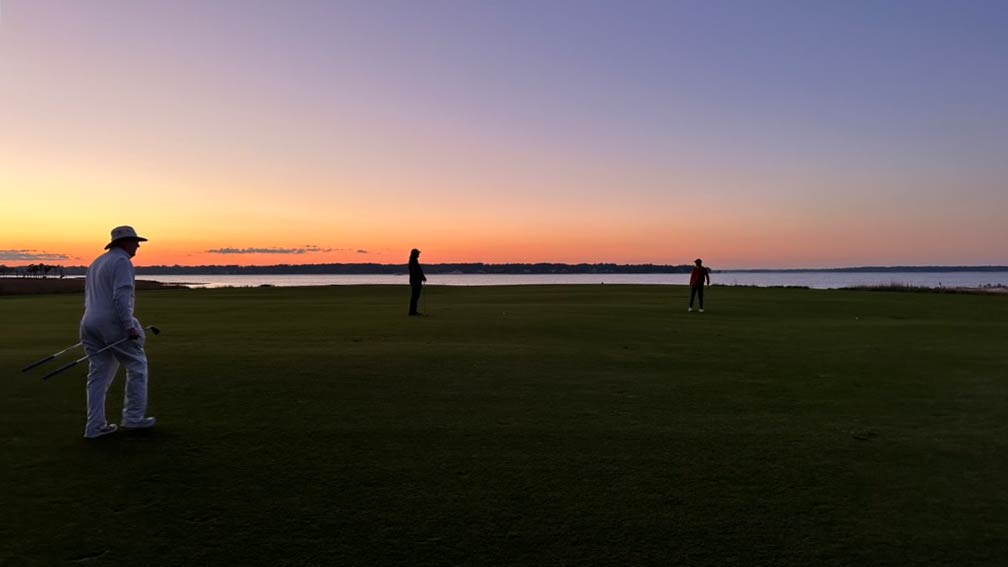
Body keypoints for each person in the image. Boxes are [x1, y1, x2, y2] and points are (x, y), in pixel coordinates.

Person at [80, 226, 156, 438]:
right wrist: (129, 326)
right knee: (137, 365)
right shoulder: (122, 262)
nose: (138, 246)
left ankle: (94, 426)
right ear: (124, 243)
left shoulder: (97, 262)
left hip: (89, 322)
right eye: (134, 241)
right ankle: (133, 418)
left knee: (98, 373)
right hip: (112, 323)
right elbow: (121, 296)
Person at [408, 248, 427, 316]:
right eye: (418, 253)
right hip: (415, 281)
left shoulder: (414, 260)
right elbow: (415, 271)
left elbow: (418, 271)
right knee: (415, 297)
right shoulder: (413, 261)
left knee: (415, 297)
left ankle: (413, 311)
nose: (419, 254)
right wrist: (420, 277)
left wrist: (422, 276)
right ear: (415, 254)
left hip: (415, 280)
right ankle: (412, 312)